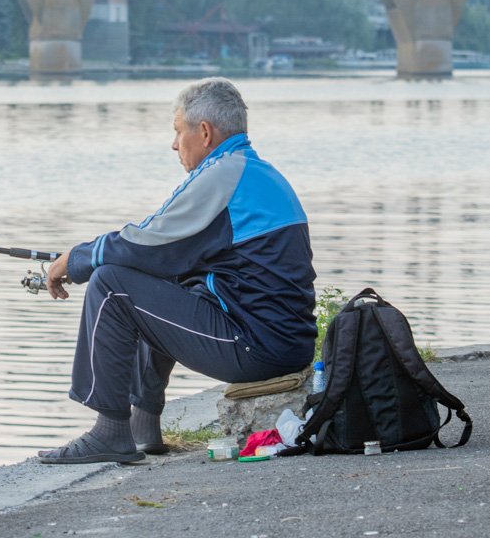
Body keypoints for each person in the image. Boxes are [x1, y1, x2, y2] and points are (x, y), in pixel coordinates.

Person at [38, 77, 317, 464]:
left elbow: (146, 241)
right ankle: (142, 426)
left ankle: (109, 431)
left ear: (203, 132)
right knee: (153, 277)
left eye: (177, 132)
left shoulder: (224, 175)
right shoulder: (252, 171)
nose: (173, 145)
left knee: (111, 284)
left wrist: (78, 259)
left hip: (259, 347)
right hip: (280, 341)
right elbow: (158, 250)